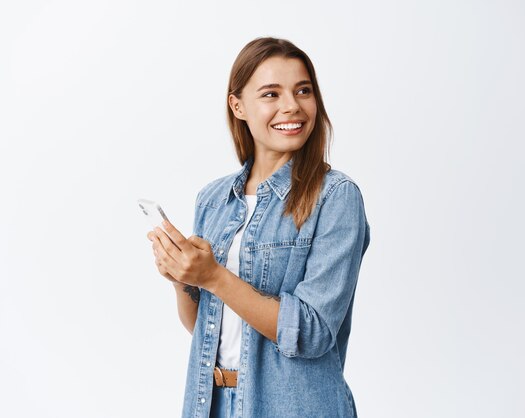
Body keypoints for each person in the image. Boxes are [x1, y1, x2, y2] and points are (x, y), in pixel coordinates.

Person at [146, 37, 370, 418]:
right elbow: (205, 329)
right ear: (238, 106)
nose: (292, 106)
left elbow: (312, 332)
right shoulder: (214, 199)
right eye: (271, 94)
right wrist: (182, 280)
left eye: (303, 90)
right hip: (211, 402)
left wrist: (213, 276)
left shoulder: (335, 197)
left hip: (294, 407)